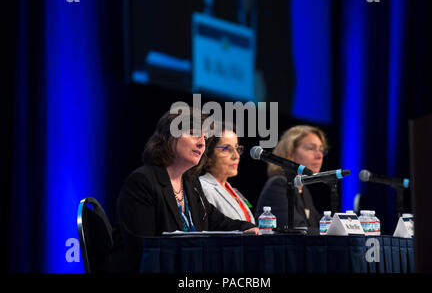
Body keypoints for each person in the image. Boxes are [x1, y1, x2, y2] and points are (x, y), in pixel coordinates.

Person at [111, 108, 258, 272]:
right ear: (170, 136)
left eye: (204, 137)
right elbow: (143, 251)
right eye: (195, 133)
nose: (202, 143)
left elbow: (216, 221)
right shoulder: (142, 183)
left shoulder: (190, 183)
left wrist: (248, 228)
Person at [255, 125, 329, 234]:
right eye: (311, 148)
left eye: (321, 150)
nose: (319, 155)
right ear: (290, 153)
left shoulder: (303, 190)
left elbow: (318, 225)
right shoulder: (278, 185)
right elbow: (297, 231)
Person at [194, 126, 255, 224]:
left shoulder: (230, 189)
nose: (236, 156)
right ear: (208, 154)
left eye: (237, 148)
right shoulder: (203, 187)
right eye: (227, 149)